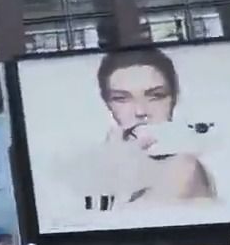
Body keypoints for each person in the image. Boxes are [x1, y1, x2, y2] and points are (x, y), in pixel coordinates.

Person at [55, 47, 217, 222]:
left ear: (174, 98)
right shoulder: (108, 162)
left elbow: (123, 226)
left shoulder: (184, 167)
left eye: (156, 96)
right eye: (121, 98)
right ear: (108, 104)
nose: (140, 111)